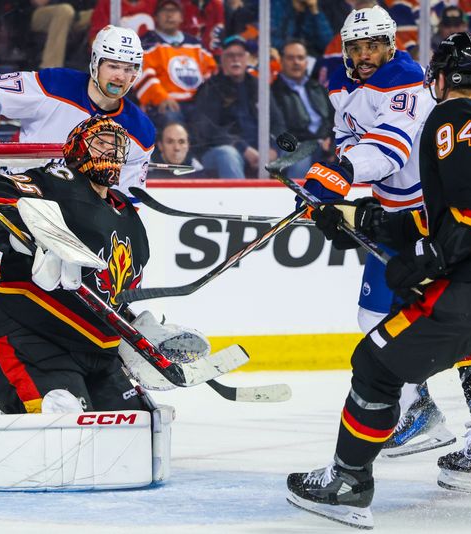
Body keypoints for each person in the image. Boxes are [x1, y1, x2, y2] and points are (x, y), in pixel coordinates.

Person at [290, 32, 471, 528]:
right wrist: (362, 221)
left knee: (374, 363)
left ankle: (348, 481)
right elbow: (459, 214)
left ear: (440, 78)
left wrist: (430, 258)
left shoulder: (452, 117)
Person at [299, 5, 456, 458]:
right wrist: (332, 181)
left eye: (373, 45)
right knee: (372, 318)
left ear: (391, 44)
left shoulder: (407, 82)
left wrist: (340, 172)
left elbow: (390, 148)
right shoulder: (343, 83)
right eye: (356, 47)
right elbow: (348, 137)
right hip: (391, 211)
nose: (364, 55)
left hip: (430, 215)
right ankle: (419, 410)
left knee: (461, 319)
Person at [0, 115, 152, 414]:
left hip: (99, 354)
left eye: (118, 147)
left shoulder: (126, 213)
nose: (111, 152)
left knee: (141, 424)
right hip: (34, 338)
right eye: (101, 143)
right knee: (60, 425)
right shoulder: (53, 182)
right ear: (77, 148)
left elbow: (115, 289)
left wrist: (136, 324)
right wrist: (29, 238)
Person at [0, 24, 155, 196]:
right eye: (113, 66)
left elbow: (127, 203)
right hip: (19, 207)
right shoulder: (55, 85)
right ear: (95, 63)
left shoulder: (141, 131)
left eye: (129, 69)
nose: (120, 76)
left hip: (78, 229)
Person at [190, 35, 278, 179]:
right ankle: (241, 201)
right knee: (228, 154)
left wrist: (273, 148)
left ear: (247, 59)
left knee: (297, 152)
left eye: (240, 55)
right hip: (222, 151)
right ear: (222, 60)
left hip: (261, 149)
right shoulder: (210, 88)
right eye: (230, 55)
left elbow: (278, 122)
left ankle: (300, 199)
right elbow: (208, 130)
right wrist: (243, 148)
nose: (235, 59)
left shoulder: (259, 86)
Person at [137, 0, 217, 129]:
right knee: (171, 117)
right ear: (156, 17)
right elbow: (142, 74)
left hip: (197, 104)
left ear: (181, 17)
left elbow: (211, 72)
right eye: (164, 11)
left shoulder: (195, 44)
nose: (169, 15)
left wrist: (204, 101)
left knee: (209, 118)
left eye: (173, 11)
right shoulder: (147, 42)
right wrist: (161, 98)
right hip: (165, 104)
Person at [270, 38, 334, 178]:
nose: (296, 62)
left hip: (324, 143)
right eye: (290, 58)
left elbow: (334, 119)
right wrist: (315, 142)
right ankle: (298, 199)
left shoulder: (318, 88)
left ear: (306, 62)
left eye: (300, 58)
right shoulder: (273, 92)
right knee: (300, 158)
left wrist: (330, 139)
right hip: (297, 145)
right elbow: (278, 127)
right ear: (281, 61)